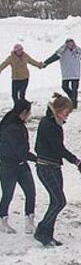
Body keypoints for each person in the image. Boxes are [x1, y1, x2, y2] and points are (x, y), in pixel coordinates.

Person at [33, 93, 81, 247]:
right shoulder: (48, 124)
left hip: (54, 166)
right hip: (46, 167)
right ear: (58, 109)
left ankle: (48, 235)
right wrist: (76, 161)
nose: (68, 115)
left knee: (55, 201)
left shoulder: (55, 123)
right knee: (59, 201)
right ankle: (42, 231)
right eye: (66, 111)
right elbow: (58, 148)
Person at [0, 100, 36, 234]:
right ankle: (2, 220)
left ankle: (29, 222)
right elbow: (19, 150)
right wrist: (35, 158)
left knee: (30, 192)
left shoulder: (16, 123)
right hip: (8, 166)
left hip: (21, 164)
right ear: (24, 112)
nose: (30, 115)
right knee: (8, 194)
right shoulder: (11, 127)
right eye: (29, 112)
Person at [43, 38, 81, 109]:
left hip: (75, 73)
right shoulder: (61, 51)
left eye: (71, 43)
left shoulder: (78, 51)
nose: (70, 45)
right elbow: (53, 58)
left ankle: (74, 104)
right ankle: (73, 99)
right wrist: (46, 63)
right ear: (66, 44)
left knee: (74, 89)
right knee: (64, 87)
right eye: (69, 44)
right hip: (66, 73)